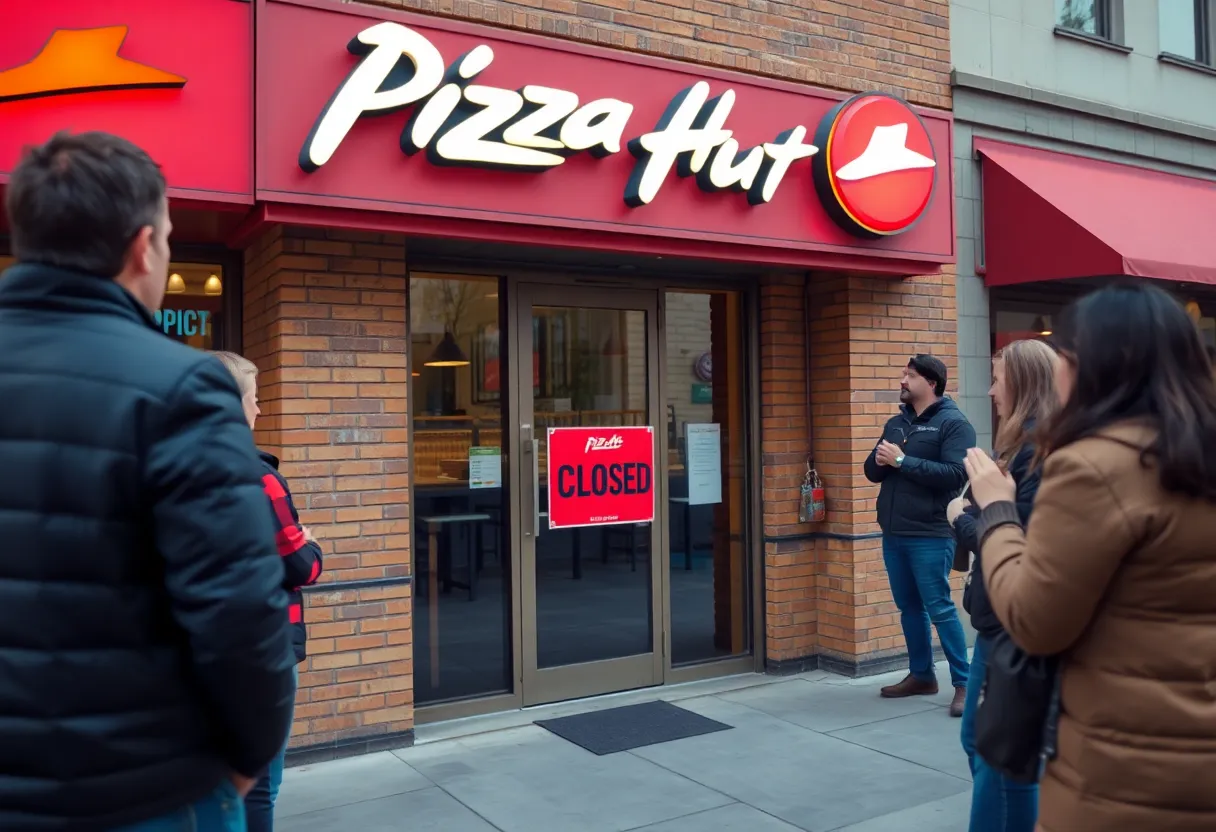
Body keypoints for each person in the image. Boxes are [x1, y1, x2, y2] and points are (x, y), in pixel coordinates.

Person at [0, 132, 296, 830]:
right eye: (166, 237)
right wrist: (247, 758)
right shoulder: (180, 387)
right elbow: (240, 614)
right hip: (144, 794)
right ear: (142, 247)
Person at [964, 282, 1216, 832]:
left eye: (1066, 357)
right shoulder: (1194, 452)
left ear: (1091, 367)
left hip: (1127, 770)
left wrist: (995, 512)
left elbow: (1034, 622)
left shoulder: (1091, 466)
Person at [211, 351, 324, 832]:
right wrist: (314, 545)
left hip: (199, 650)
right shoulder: (257, 478)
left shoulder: (171, 472)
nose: (259, 412)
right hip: (260, 649)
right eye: (254, 400)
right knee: (259, 787)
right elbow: (299, 565)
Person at [948, 340, 1057, 832]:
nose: (991, 391)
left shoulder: (1038, 449)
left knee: (998, 755)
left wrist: (964, 521)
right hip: (996, 619)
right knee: (978, 741)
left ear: (1024, 384)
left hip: (1012, 624)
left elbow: (1020, 539)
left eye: (997, 380)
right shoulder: (1018, 443)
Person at [864, 354, 975, 717]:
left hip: (930, 533)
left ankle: (965, 684)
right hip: (894, 532)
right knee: (908, 608)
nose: (902, 380)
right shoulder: (897, 423)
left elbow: (956, 475)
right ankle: (922, 675)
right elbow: (872, 472)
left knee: (939, 609)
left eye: (909, 375)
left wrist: (901, 461)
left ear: (930, 382)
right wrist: (882, 460)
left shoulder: (954, 424)